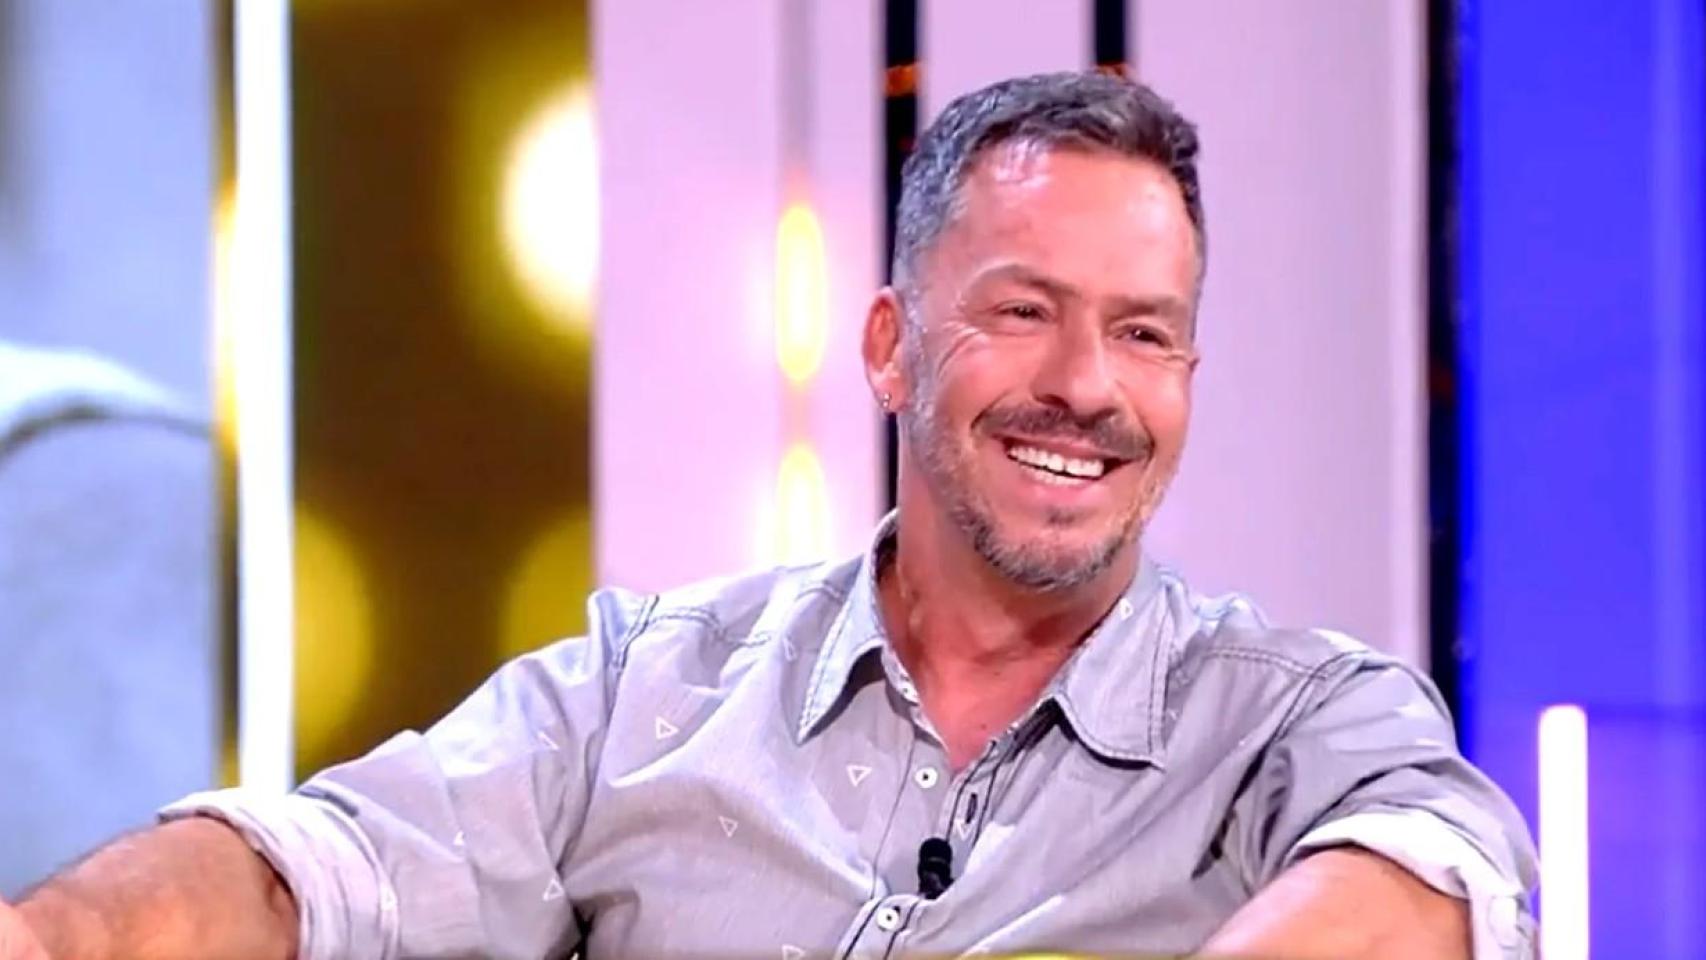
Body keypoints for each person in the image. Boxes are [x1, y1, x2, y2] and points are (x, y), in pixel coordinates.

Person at [0, 72, 1537, 960]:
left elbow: (1437, 875)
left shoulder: (1290, 717)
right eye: (1023, 312)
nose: (1086, 386)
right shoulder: (643, 694)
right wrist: (56, 940)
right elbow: (313, 868)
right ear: (888, 345)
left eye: (1143, 334)